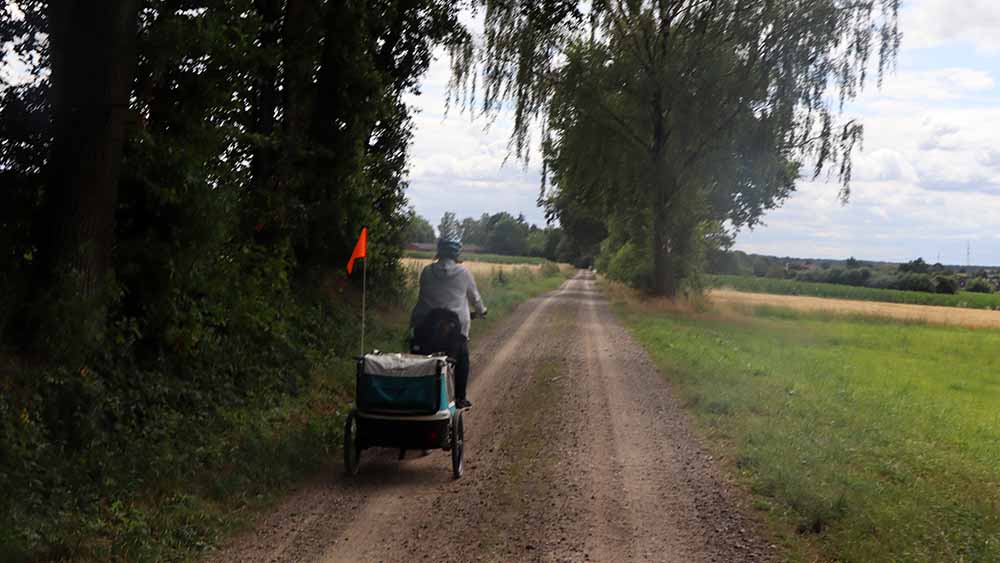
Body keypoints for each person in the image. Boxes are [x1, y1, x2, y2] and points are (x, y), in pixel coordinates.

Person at [409, 239, 486, 410]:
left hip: (425, 325)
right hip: (454, 327)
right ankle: (460, 397)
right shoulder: (464, 273)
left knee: (419, 358)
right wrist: (482, 311)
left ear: (439, 252)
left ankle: (415, 394)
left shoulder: (427, 271)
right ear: (456, 254)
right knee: (462, 357)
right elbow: (475, 298)